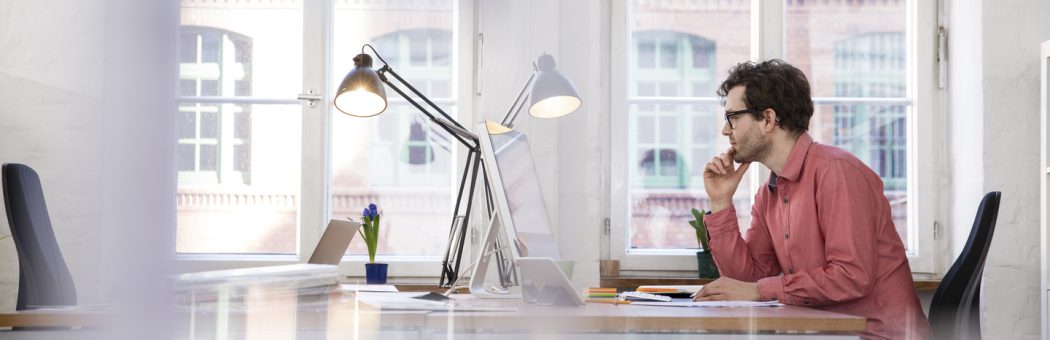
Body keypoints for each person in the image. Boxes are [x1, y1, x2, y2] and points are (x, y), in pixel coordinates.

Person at [692, 59, 930, 339]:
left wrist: (760, 290)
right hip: (829, 334)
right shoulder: (767, 194)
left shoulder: (836, 171)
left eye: (733, 117)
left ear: (767, 119)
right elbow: (746, 283)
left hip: (876, 335)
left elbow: (851, 276)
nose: (726, 130)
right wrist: (721, 203)